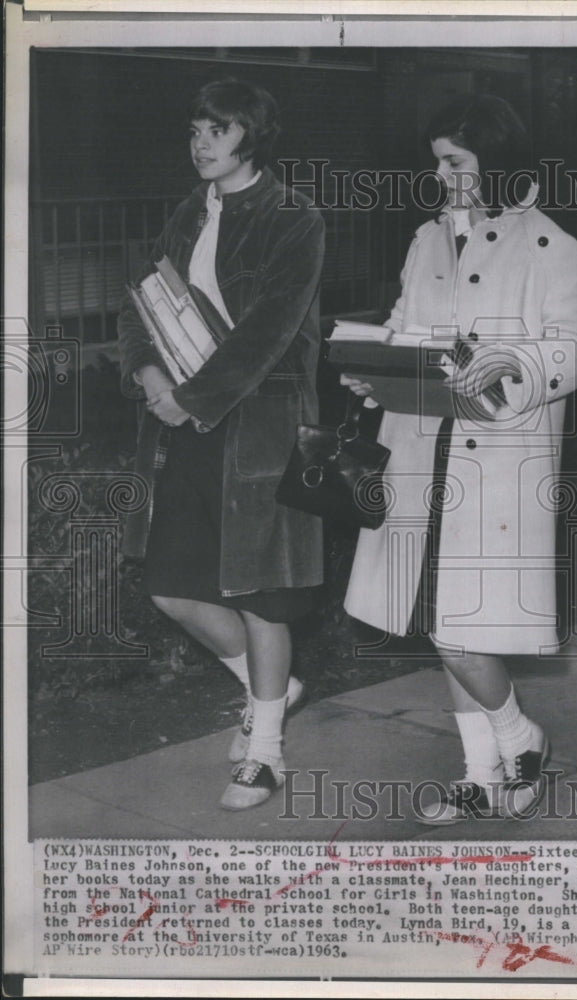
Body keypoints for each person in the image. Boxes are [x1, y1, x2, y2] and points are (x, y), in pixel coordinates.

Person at [342, 94, 577, 823]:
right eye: (435, 163)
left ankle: (522, 739)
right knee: (440, 621)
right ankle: (480, 770)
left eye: (454, 161)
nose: (441, 175)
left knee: (462, 626)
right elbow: (402, 326)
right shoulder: (428, 240)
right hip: (421, 448)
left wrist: (514, 360)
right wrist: (373, 369)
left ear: (496, 158)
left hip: (497, 461)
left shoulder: (553, 247)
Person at [118, 77, 324, 811]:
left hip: (260, 430)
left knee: (263, 596)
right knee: (171, 585)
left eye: (219, 129)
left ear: (252, 138)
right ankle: (269, 690)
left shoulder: (292, 217)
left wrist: (192, 398)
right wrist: (146, 373)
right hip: (185, 427)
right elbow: (139, 304)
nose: (201, 142)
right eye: (197, 128)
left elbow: (269, 334)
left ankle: (264, 753)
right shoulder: (185, 214)